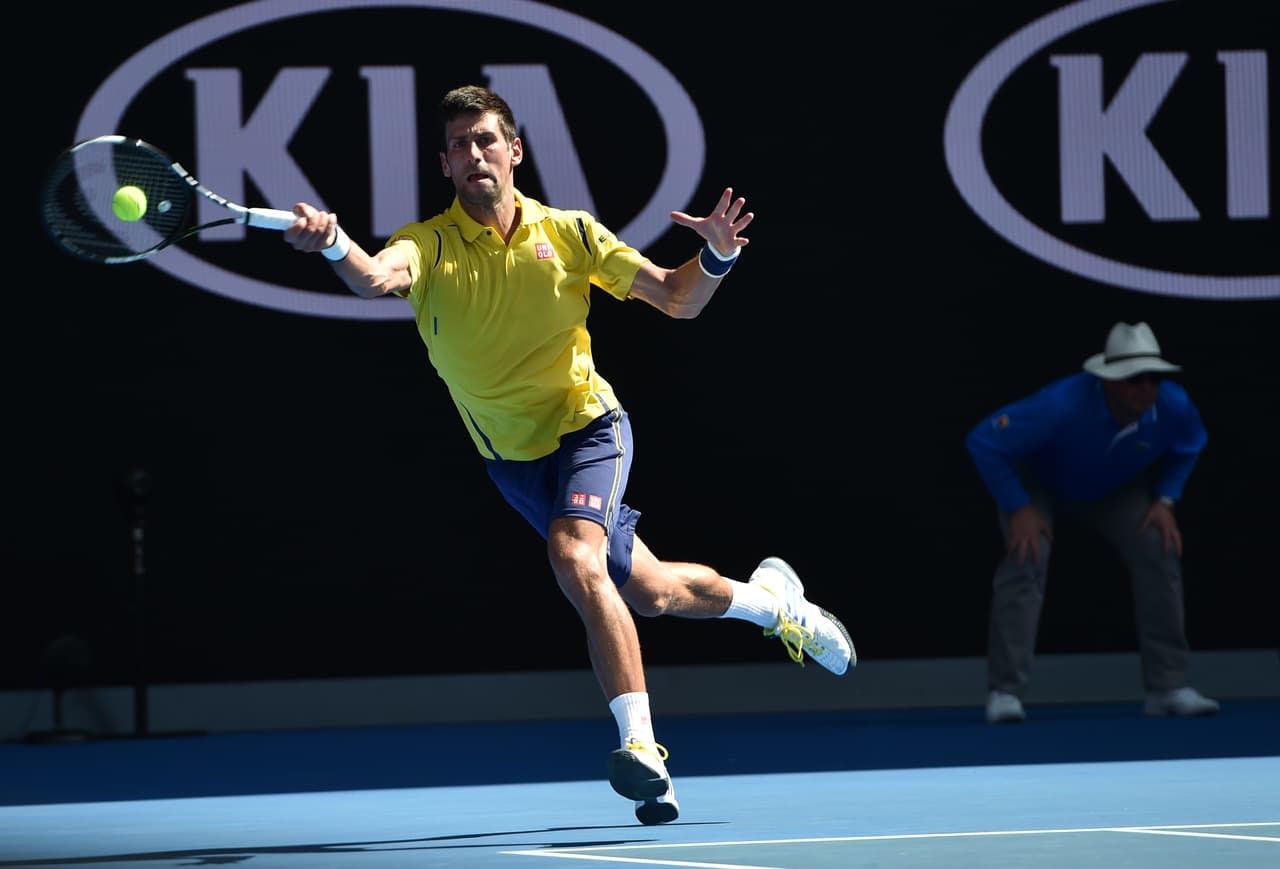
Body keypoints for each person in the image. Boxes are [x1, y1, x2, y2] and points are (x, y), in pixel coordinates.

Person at [282, 85, 855, 824]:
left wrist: (713, 257)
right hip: (513, 462)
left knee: (574, 555)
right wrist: (332, 241)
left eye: (486, 139)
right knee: (650, 592)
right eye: (458, 145)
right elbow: (373, 274)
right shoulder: (426, 244)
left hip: (589, 427)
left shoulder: (573, 233)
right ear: (445, 166)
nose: (473, 153)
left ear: (514, 150)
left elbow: (677, 299)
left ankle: (643, 748)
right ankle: (775, 605)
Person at [965, 321, 1219, 724]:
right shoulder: (1060, 404)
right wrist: (1018, 506)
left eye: (1155, 378)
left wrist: (1167, 499)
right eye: (1136, 379)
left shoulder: (1174, 405)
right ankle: (1005, 691)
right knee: (1027, 556)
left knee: (1158, 544)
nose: (1148, 388)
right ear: (1110, 381)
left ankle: (1168, 687)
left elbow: (1192, 443)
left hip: (1111, 489)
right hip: (1039, 485)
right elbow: (984, 440)